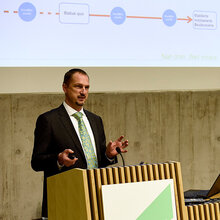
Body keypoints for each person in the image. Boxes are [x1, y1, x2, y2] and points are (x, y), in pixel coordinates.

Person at [31, 68, 128, 218]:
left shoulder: (96, 120)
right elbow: (36, 162)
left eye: (86, 87)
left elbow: (96, 162)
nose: (83, 91)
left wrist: (108, 155)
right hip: (65, 202)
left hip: (96, 200)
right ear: (64, 88)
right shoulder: (49, 120)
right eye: (78, 86)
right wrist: (59, 160)